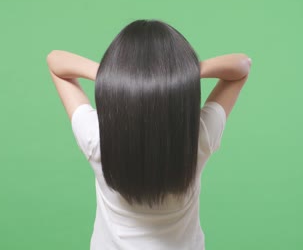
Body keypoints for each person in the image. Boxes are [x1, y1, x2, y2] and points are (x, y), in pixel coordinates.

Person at [46, 19, 252, 250]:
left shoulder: (96, 137)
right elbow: (242, 65)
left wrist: (116, 78)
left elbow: (55, 61)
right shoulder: (198, 138)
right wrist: (182, 75)